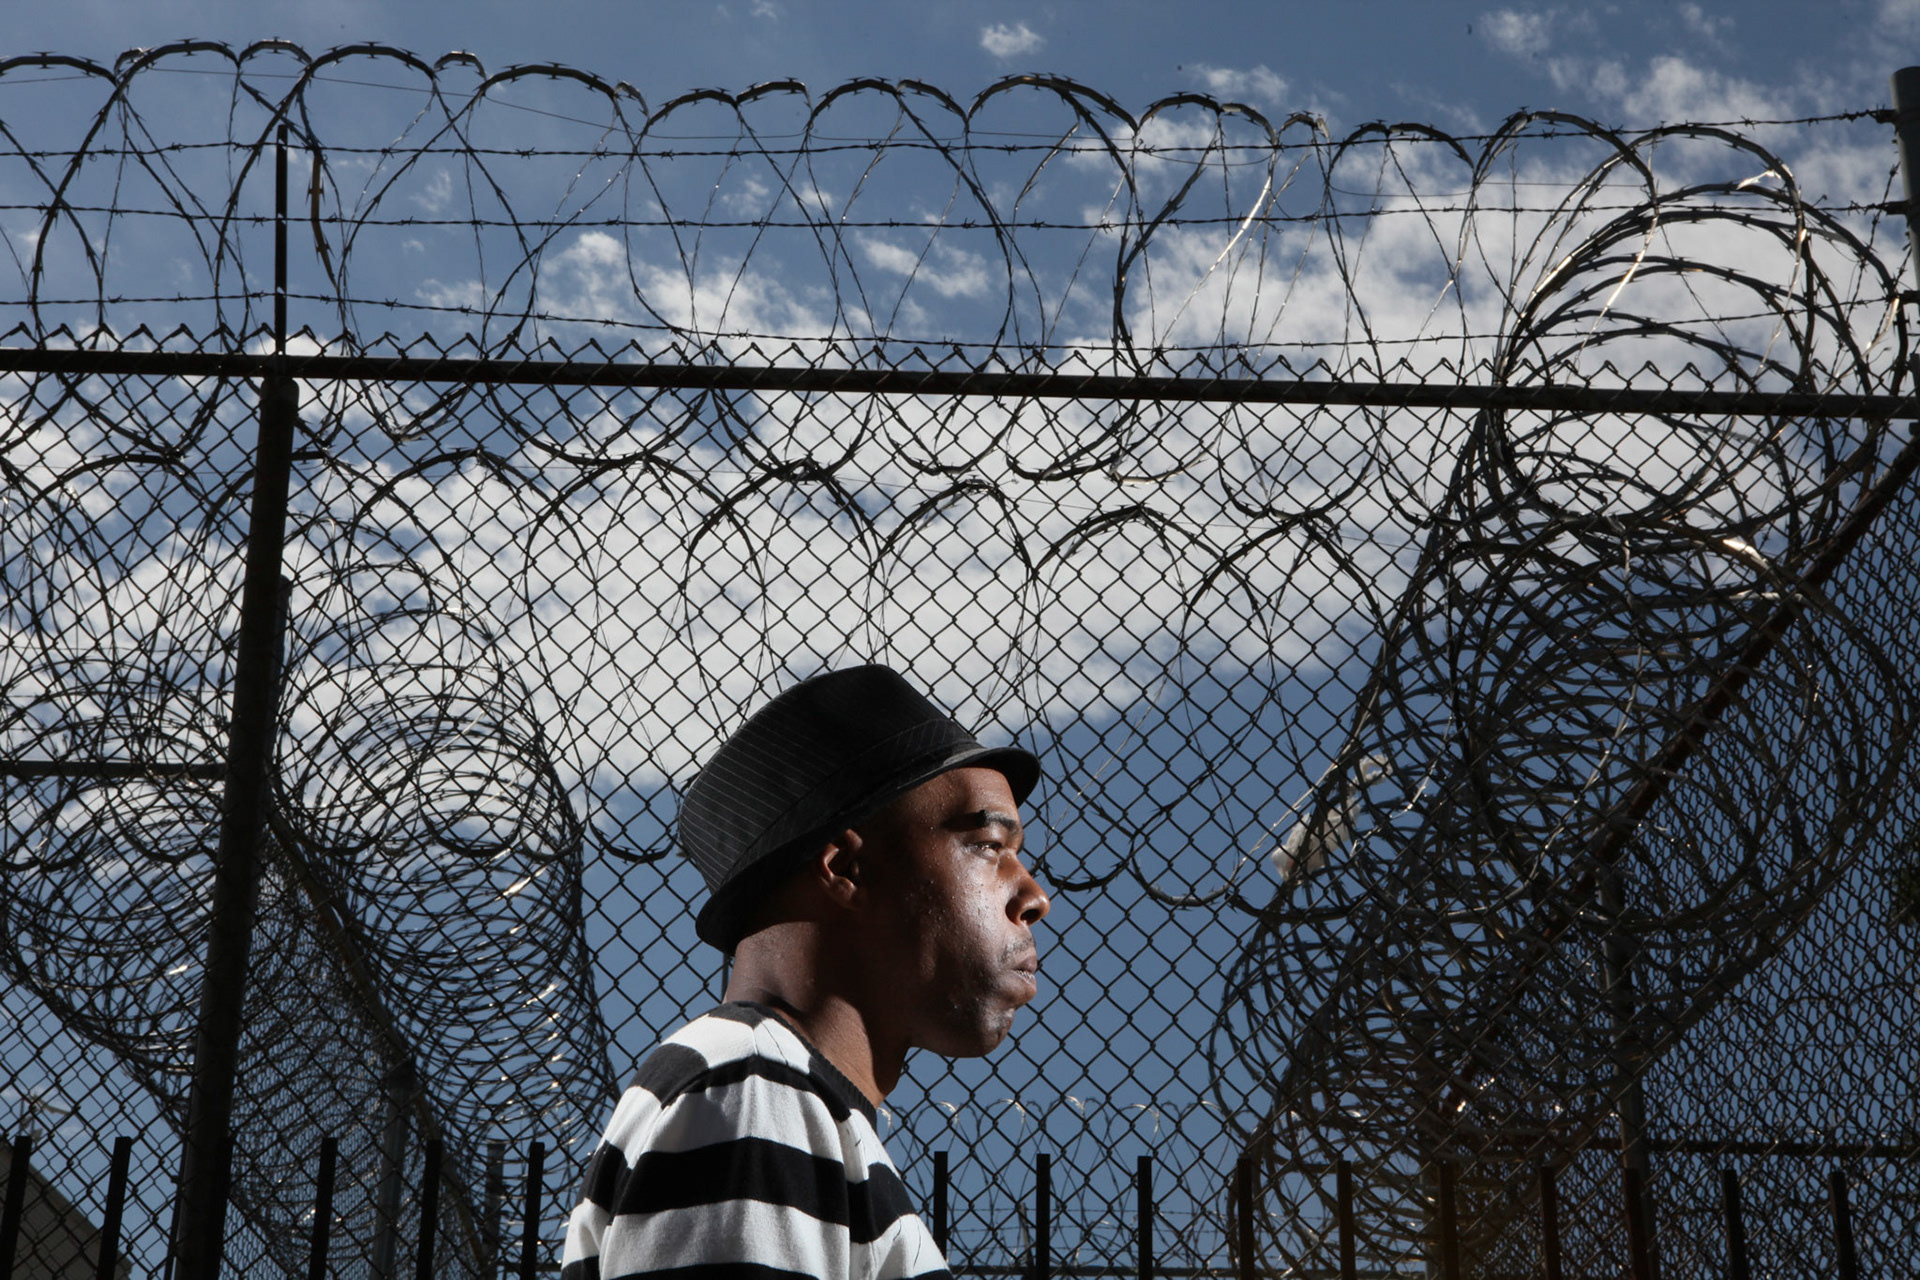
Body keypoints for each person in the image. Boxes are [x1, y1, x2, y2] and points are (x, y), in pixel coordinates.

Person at [561, 664, 1051, 1280]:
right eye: (987, 846)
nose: (1033, 895)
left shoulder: (790, 1108)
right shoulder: (751, 1094)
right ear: (845, 868)